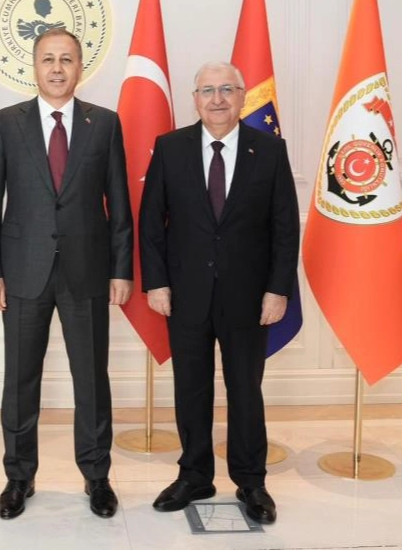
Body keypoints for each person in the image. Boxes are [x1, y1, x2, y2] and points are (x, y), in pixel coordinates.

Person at [0, 28, 133, 520]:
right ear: (35, 66)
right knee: (20, 380)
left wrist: (121, 269)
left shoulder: (104, 123)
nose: (58, 68)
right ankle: (18, 477)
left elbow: (119, 203)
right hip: (23, 271)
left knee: (92, 379)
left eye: (67, 59)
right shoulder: (6, 123)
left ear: (81, 67)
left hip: (88, 271)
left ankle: (97, 476)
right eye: (48, 59)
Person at [139, 61, 299, 524]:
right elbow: (151, 223)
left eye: (227, 89)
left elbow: (285, 227)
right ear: (195, 99)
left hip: (248, 297)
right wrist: (157, 282)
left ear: (242, 96)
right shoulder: (170, 147)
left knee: (245, 389)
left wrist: (277, 290)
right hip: (185, 294)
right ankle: (194, 475)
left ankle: (251, 481)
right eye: (207, 90)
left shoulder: (269, 150)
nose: (217, 99)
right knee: (191, 388)